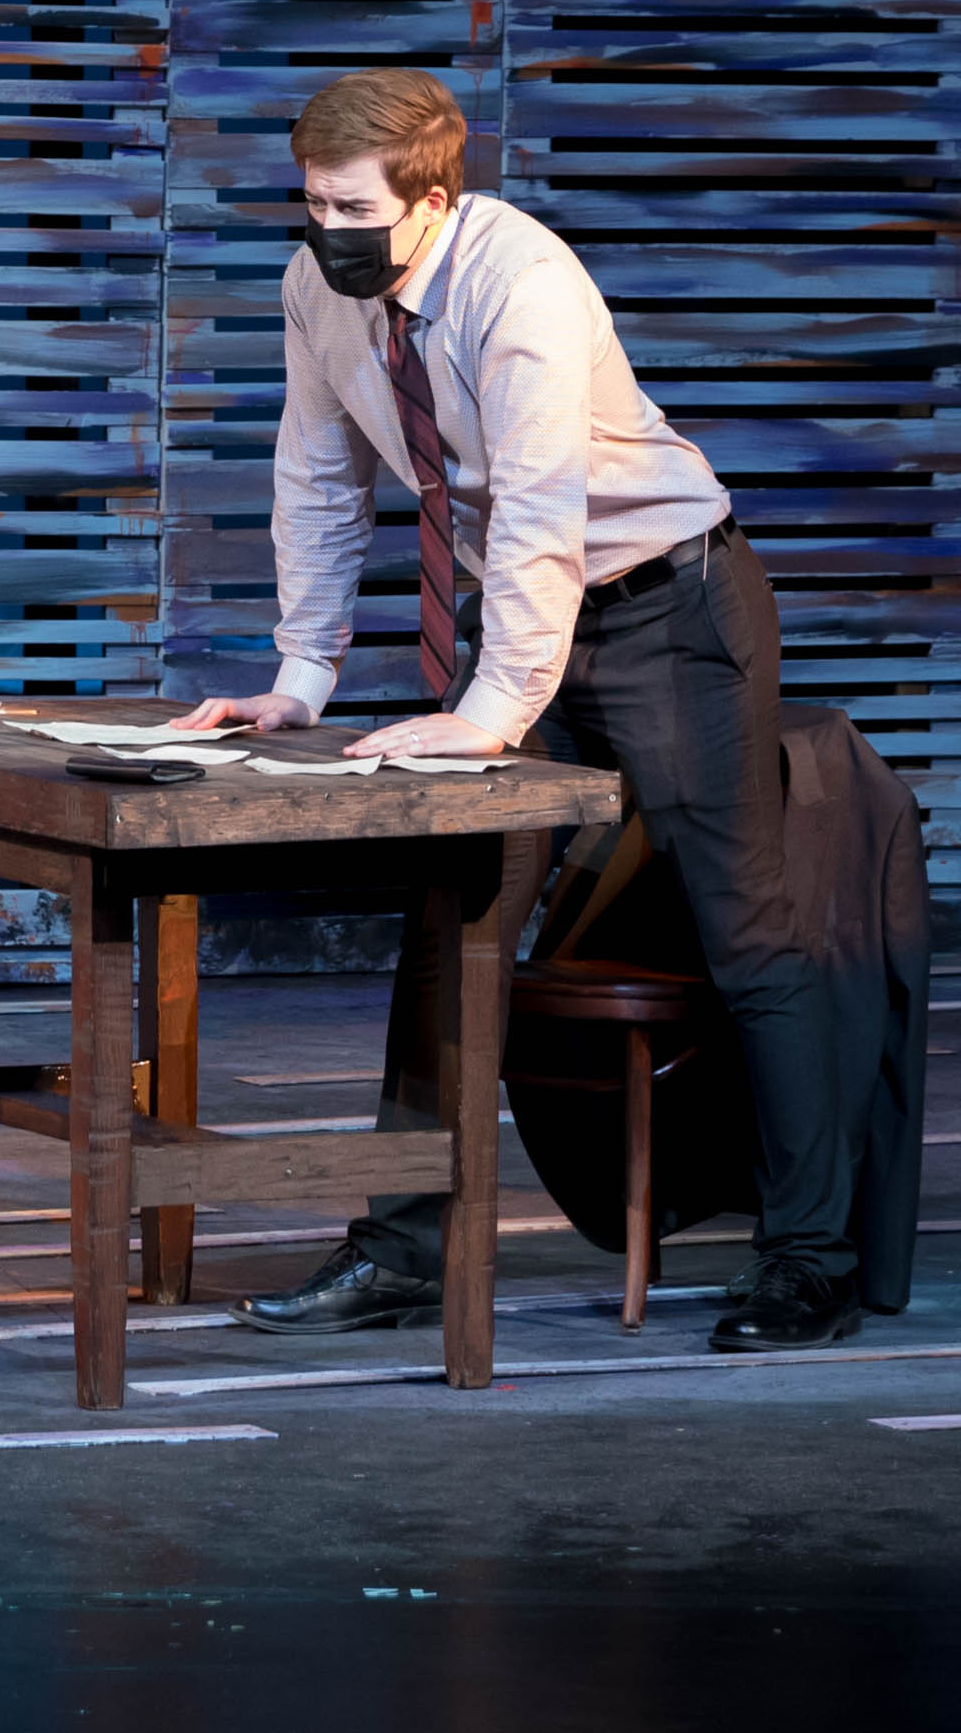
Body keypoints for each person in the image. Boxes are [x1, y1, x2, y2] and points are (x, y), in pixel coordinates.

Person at [172, 67, 870, 1353]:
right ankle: (404, 1250)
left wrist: (490, 716)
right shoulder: (317, 293)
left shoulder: (522, 282)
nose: (322, 228)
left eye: (348, 207)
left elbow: (542, 508)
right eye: (308, 201)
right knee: (453, 920)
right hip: (524, 620)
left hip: (667, 606)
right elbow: (317, 482)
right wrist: (299, 676)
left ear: (432, 201)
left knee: (749, 932)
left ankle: (810, 1260)